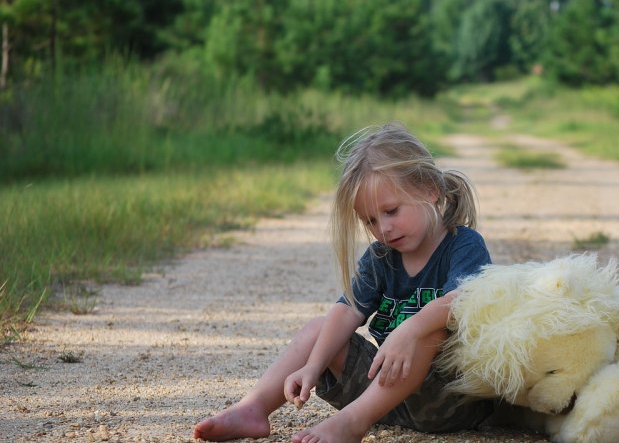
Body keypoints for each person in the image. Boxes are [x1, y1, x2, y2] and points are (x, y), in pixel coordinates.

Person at [193, 123, 495, 443]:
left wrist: (411, 328)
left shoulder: (463, 244)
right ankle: (253, 409)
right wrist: (314, 365)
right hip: (384, 396)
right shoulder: (382, 256)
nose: (384, 229)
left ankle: (351, 423)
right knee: (318, 329)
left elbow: (463, 301)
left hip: (450, 401)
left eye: (391, 211)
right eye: (371, 220)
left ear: (430, 189)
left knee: (429, 331)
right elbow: (348, 310)